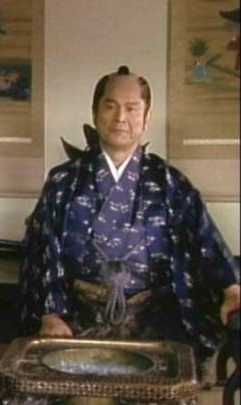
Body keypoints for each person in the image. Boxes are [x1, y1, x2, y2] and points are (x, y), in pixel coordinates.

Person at [19, 65, 240, 373]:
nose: (120, 118)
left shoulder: (170, 183)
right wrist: (51, 314)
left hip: (157, 321)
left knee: (165, 389)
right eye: (110, 106)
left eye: (132, 108)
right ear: (95, 112)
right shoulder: (63, 182)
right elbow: (44, 251)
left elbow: (204, 239)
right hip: (77, 321)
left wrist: (232, 290)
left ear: (147, 117)